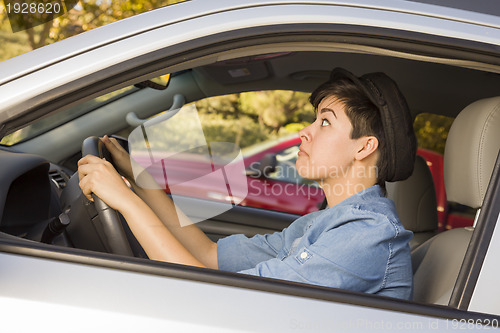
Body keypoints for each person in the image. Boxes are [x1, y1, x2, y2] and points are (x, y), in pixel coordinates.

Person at [78, 68, 417, 300]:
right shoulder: (323, 222)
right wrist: (139, 179)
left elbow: (211, 294)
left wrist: (125, 201)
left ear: (364, 146)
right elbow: (208, 257)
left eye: (325, 122)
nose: (305, 131)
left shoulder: (368, 234)